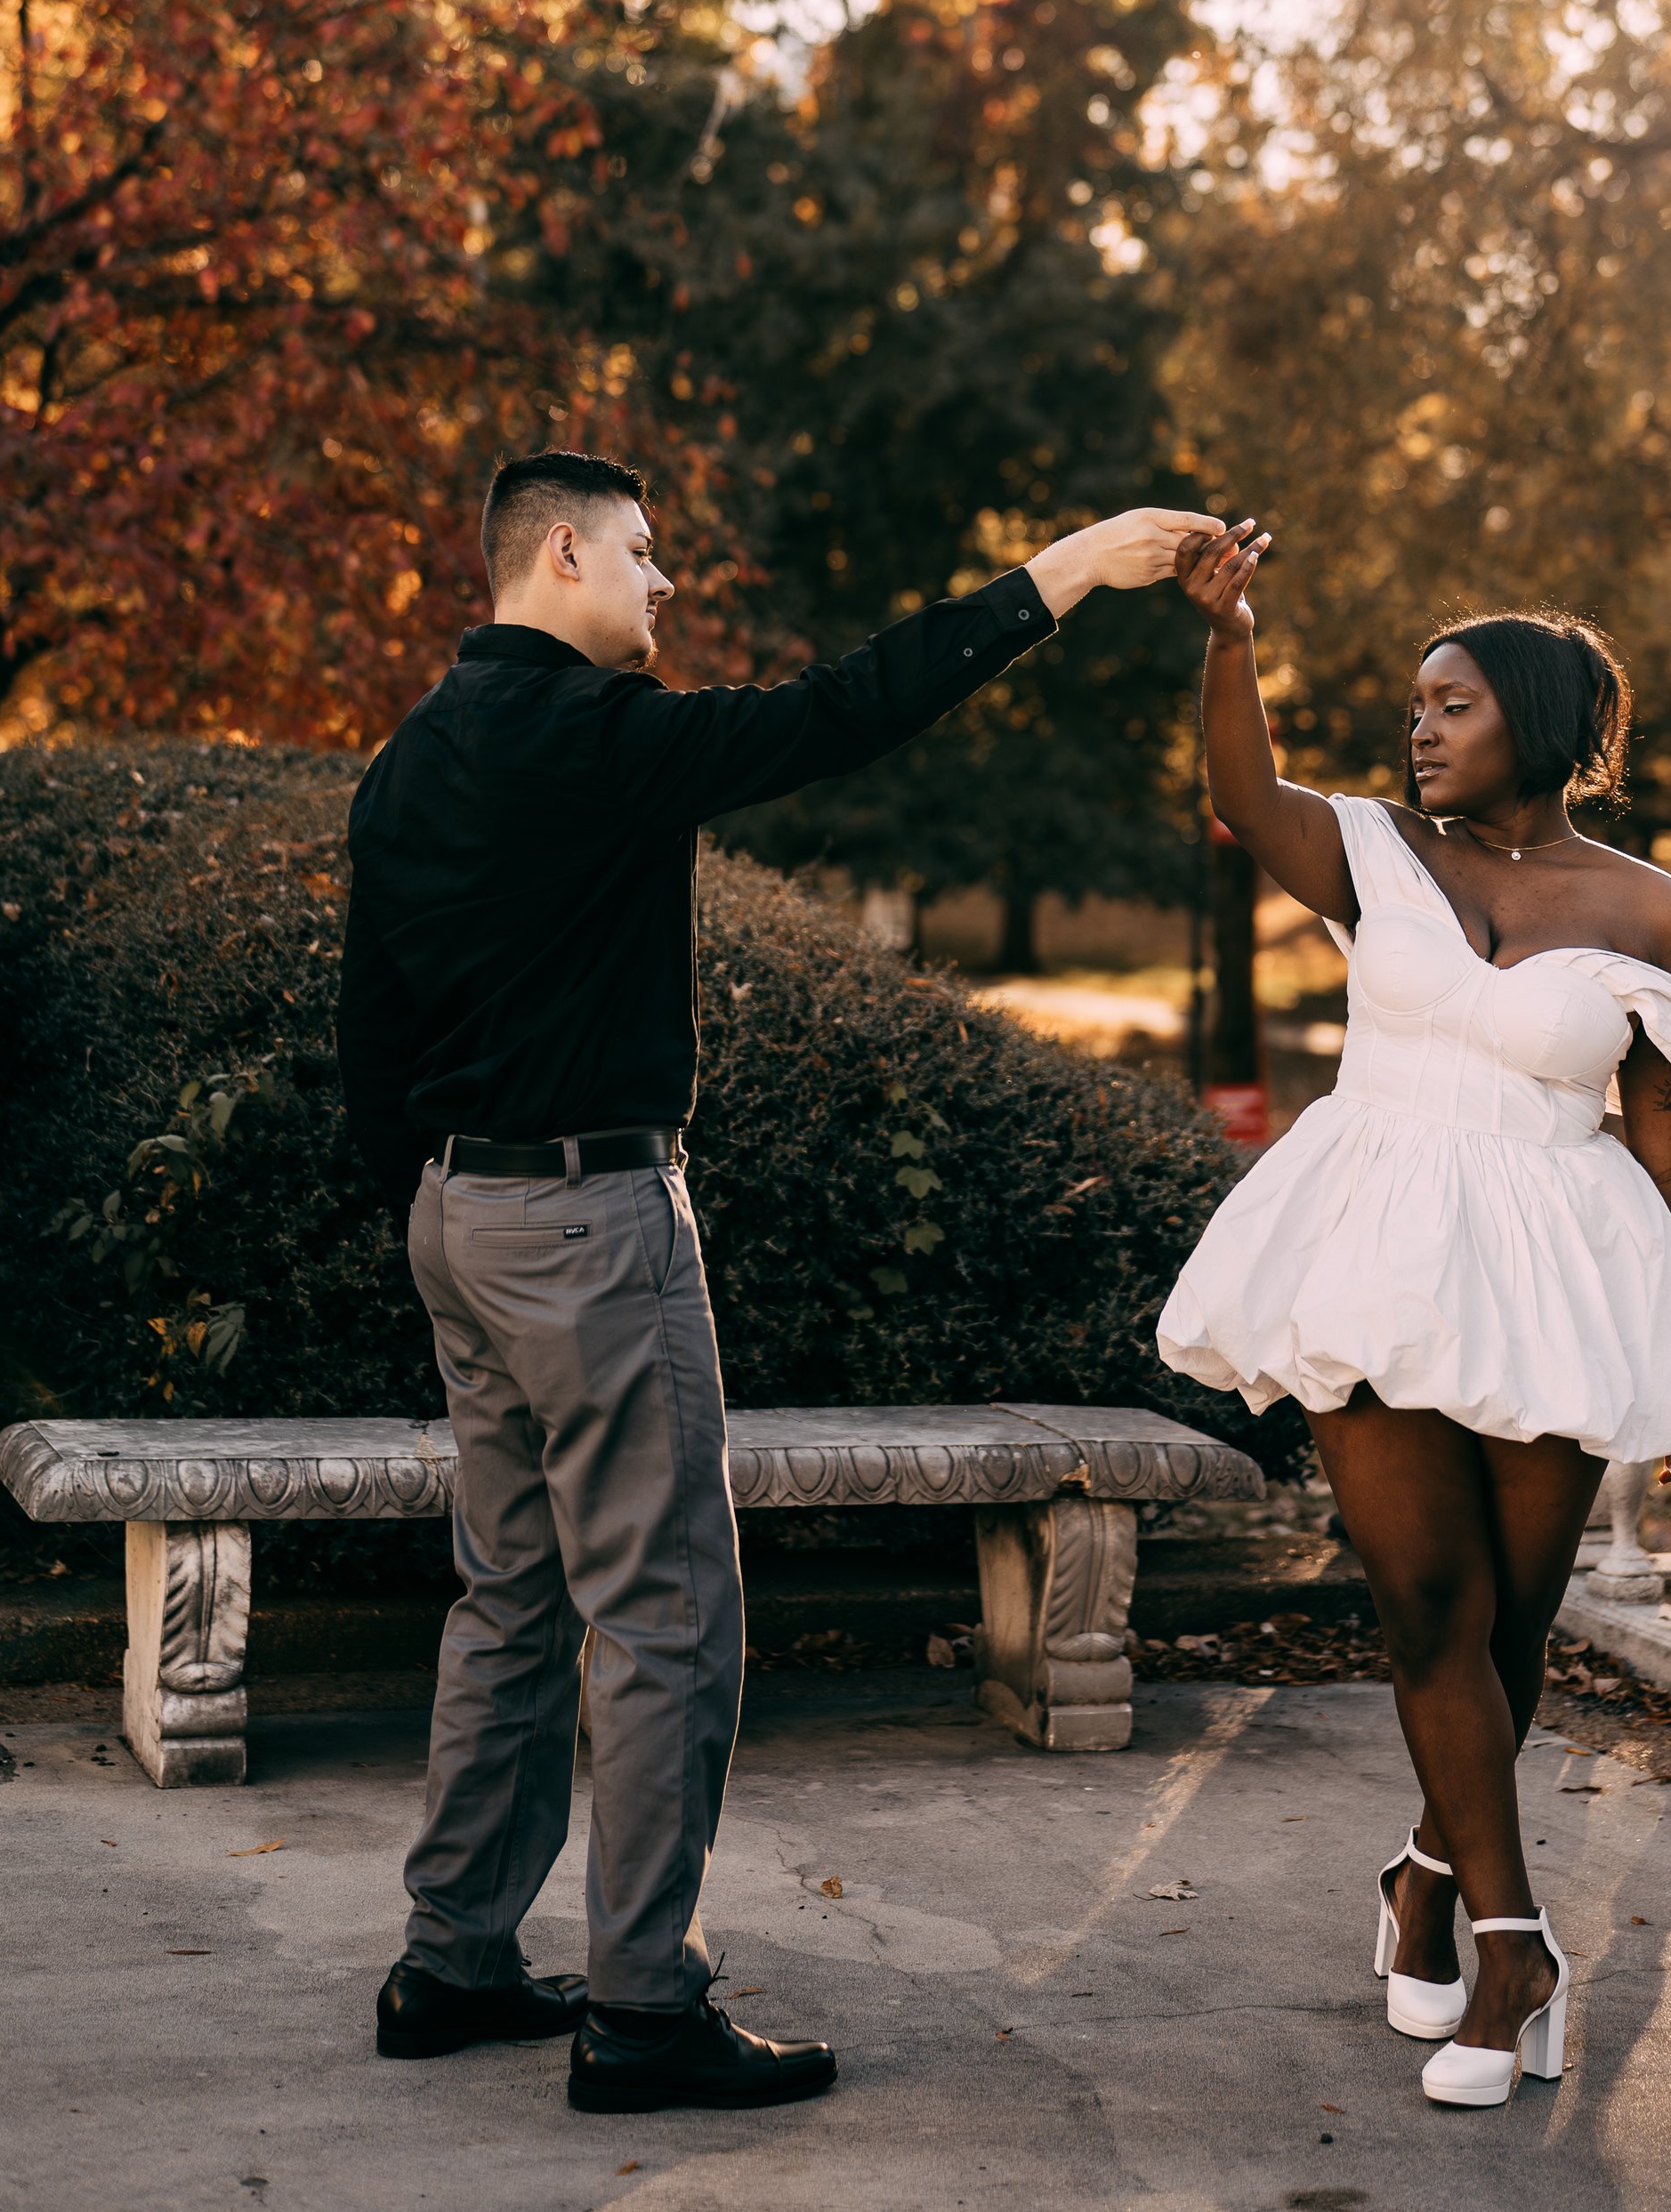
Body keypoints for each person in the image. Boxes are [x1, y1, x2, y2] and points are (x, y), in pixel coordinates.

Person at [339, 449, 1216, 2114]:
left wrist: (437, 1210)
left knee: (509, 1595)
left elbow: (368, 1034)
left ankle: (449, 1960)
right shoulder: (599, 735)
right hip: (589, 1222)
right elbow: (843, 709)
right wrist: (1065, 572)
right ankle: (640, 2010)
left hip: (461, 1217)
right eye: (644, 553)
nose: (664, 583)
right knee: (666, 1612)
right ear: (564, 553)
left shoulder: (411, 756)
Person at [1158, 525, 1671, 2113]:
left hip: (1555, 1268)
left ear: (1535, 723)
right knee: (1425, 1604)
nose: (1419, 728)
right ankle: (1512, 1949)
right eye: (1415, 704)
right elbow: (1245, 794)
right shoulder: (1373, 852)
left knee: (1509, 1626)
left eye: (1453, 703)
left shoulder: (1654, 915)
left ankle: (1427, 1872)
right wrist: (1231, 639)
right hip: (1378, 1242)